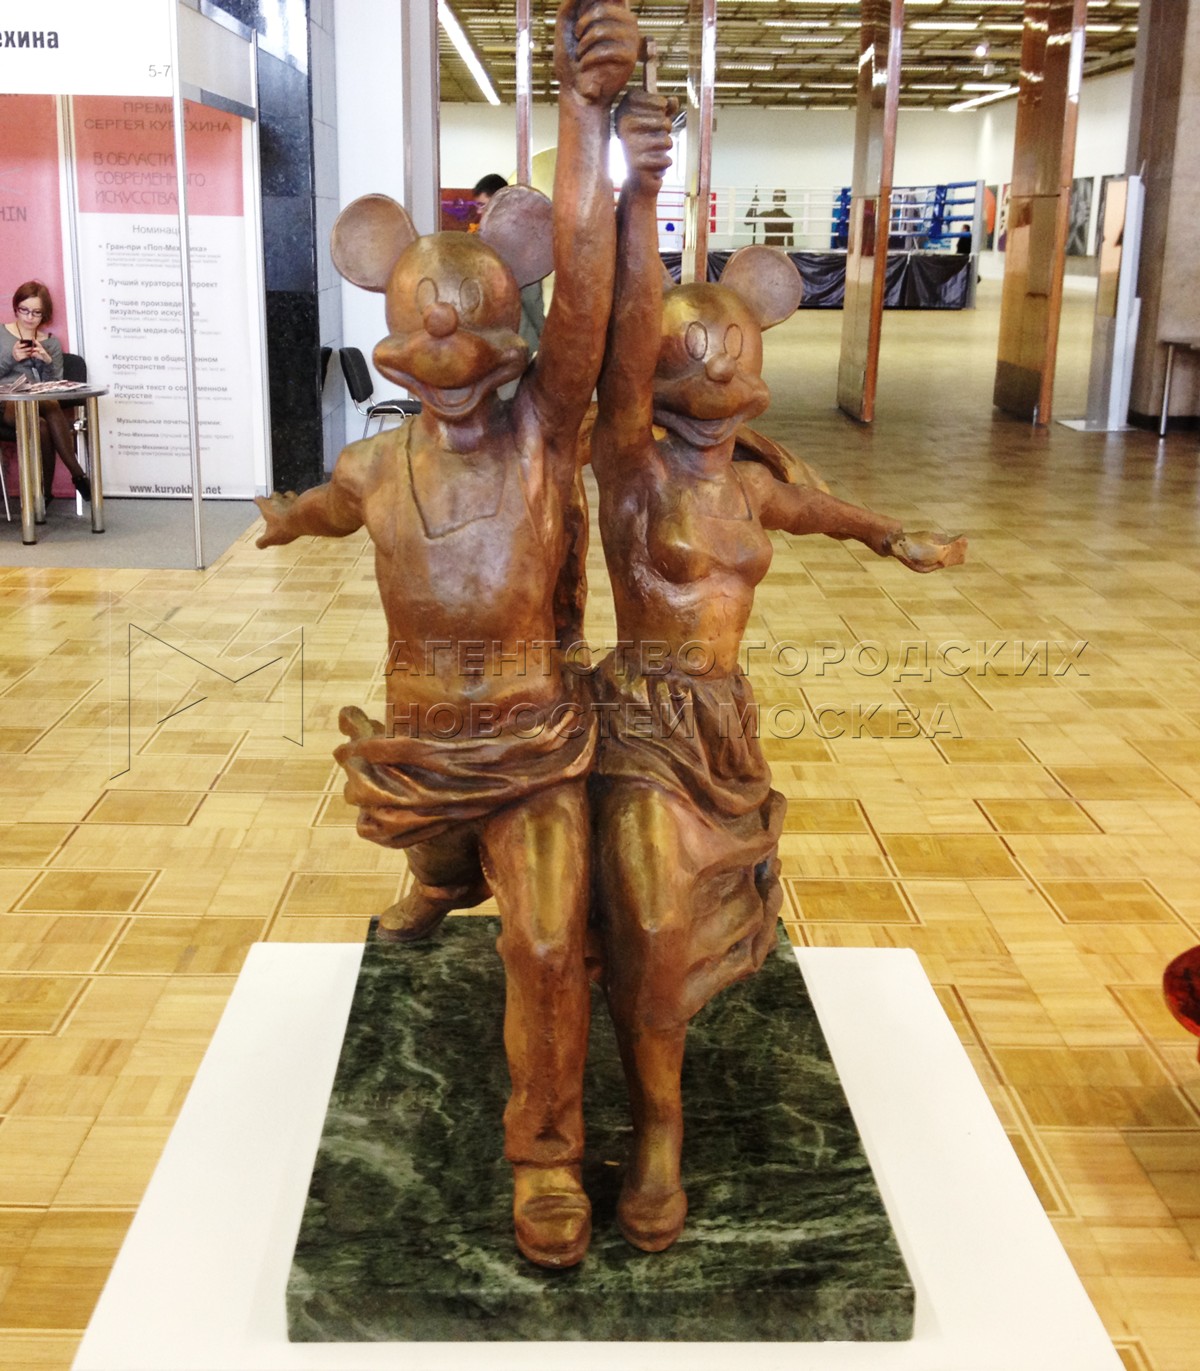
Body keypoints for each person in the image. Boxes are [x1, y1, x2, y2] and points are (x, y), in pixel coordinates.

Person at [255, 0, 639, 1271]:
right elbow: (330, 508)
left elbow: (585, 299)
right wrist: (288, 516)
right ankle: (434, 877)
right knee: (436, 850)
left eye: (483, 334)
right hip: (425, 737)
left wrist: (584, 116)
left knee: (547, 938)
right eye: (428, 338)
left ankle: (546, 1155)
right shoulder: (373, 468)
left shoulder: (543, 439)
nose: (457, 362)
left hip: (532, 734)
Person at [589, 89, 966, 1254]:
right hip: (644, 718)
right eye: (691, 367)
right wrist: (642, 192)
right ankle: (658, 1132)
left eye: (737, 364)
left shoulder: (750, 482)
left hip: (724, 725)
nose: (720, 387)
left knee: (692, 924)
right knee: (651, 918)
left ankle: (662, 1056)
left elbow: (816, 509)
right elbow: (624, 337)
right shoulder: (631, 468)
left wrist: (890, 534)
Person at [1, 281, 91, 502]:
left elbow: (56, 386)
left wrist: (47, 361)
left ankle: (43, 496)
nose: (29, 317)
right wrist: (12, 358)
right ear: (16, 308)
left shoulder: (51, 344)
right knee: (43, 408)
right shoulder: (2, 334)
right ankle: (78, 474)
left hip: (38, 402)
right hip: (6, 402)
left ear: (44, 314)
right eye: (24, 310)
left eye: (36, 312)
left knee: (42, 424)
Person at [473, 173, 546, 354]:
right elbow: (533, 300)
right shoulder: (522, 244)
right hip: (513, 339)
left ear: (498, 205)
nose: (479, 212)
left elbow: (531, 298)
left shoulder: (481, 244)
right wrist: (543, 334)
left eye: (482, 205)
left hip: (506, 339)